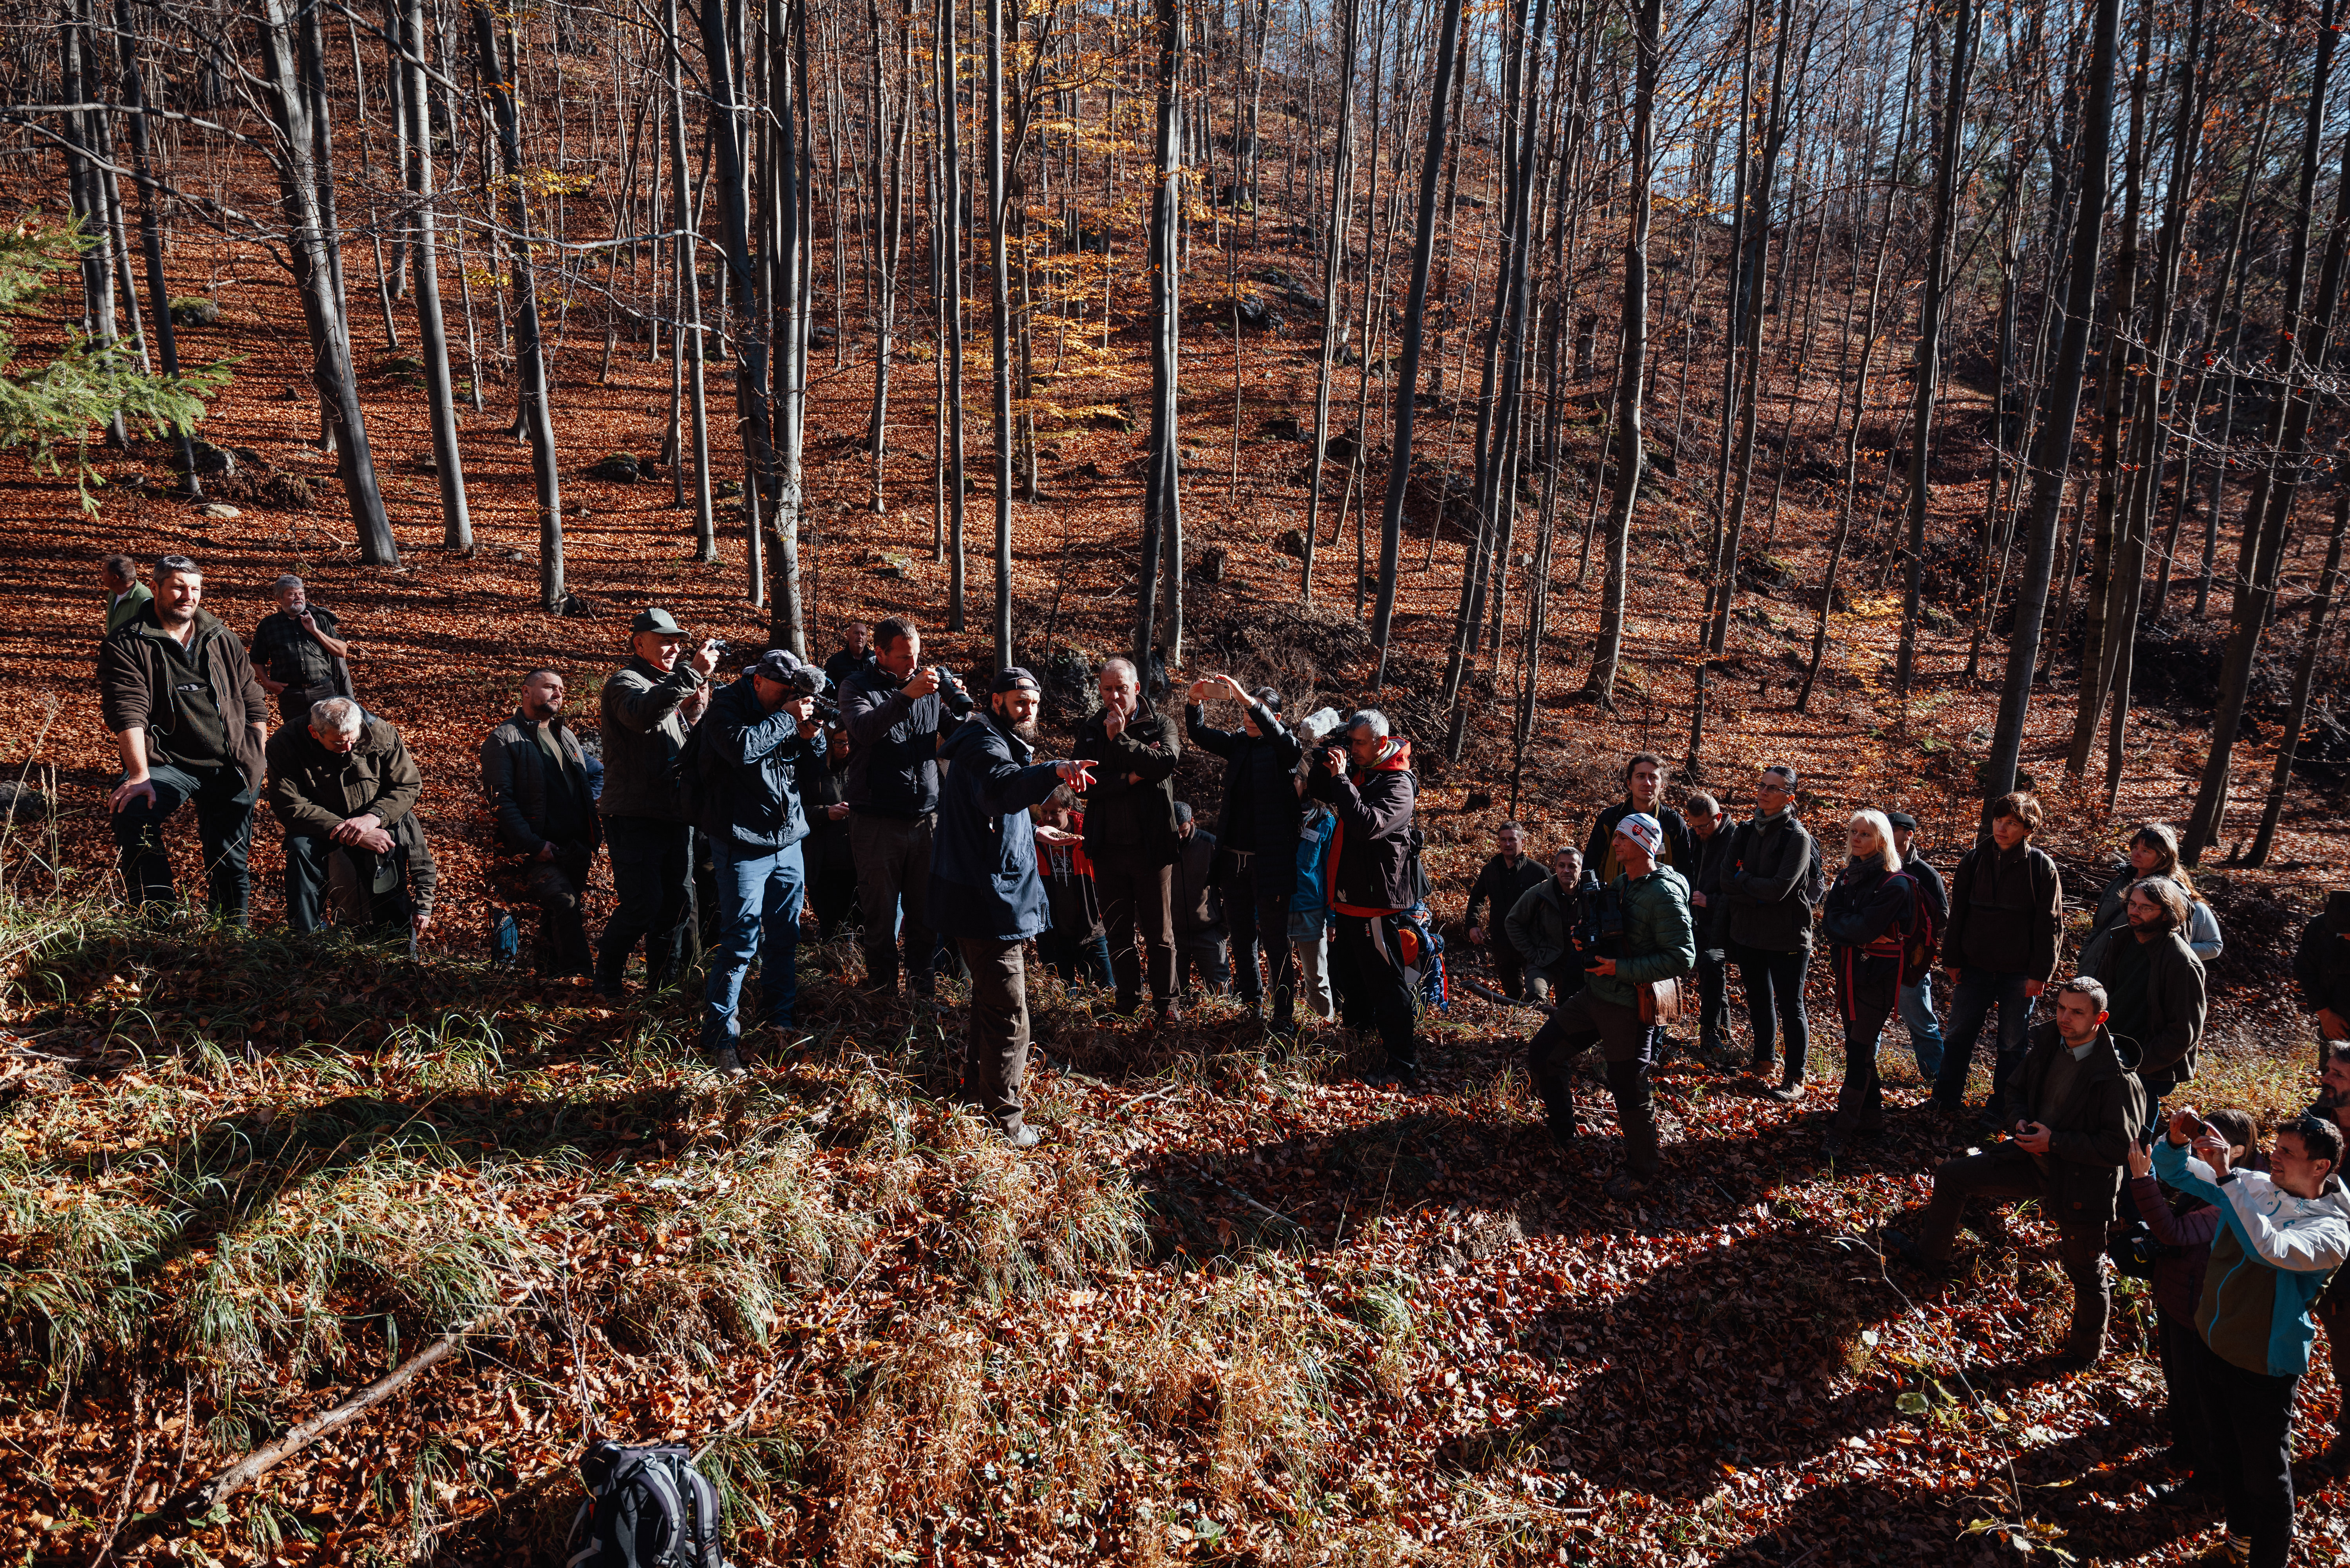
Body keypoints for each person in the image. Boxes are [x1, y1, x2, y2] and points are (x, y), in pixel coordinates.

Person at [1887, 977, 2143, 1370]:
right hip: (2030, 1160)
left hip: (2082, 1183)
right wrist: (2020, 1120)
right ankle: (1929, 1258)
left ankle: (2083, 1353)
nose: (2065, 1018)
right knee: (1954, 1176)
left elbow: (2118, 1148)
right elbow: (2014, 1089)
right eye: (2060, 1008)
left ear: (2101, 1017)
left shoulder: (2118, 1076)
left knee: (2086, 1270)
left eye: (2077, 1012)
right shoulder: (2047, 1044)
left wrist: (2055, 1141)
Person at [2153, 1108, 2350, 1568]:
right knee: (2226, 1453)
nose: (2273, 1157)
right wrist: (2179, 1139)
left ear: (2321, 1166)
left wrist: (2228, 1179)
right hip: (2214, 1341)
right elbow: (2175, 1169)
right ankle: (2239, 1542)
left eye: (2287, 1152)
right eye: (2276, 1147)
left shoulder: (2333, 1231)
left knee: (2267, 1480)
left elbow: (2272, 1250)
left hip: (2264, 1363)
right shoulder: (2257, 1184)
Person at [930, 668, 1093, 1146]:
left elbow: (997, 811)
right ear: (996, 700)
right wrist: (1054, 770)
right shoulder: (984, 743)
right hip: (985, 901)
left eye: (1035, 703)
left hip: (986, 894)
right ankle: (1006, 1120)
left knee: (988, 1002)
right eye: (1020, 701)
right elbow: (1002, 787)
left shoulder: (994, 738)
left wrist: (1030, 830)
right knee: (1010, 1013)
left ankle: (973, 1096)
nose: (1029, 710)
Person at [1524, 816, 1695, 1200]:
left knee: (1629, 1089)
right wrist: (1590, 942)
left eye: (1622, 836)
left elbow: (1682, 958)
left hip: (1630, 1007)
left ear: (1644, 843)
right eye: (1615, 836)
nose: (1614, 842)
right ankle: (1565, 1133)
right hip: (1594, 995)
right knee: (1544, 1052)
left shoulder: (1663, 894)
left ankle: (1643, 1170)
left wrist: (1621, 968)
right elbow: (1613, 932)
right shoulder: (1622, 883)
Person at [97, 556, 268, 921]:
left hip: (231, 762)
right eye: (177, 586)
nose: (187, 596)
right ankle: (158, 923)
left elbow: (254, 700)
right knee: (134, 813)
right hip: (169, 764)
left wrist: (257, 750)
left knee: (230, 859)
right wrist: (140, 776)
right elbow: (128, 712)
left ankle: (230, 938)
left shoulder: (222, 638)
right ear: (155, 588)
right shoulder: (128, 643)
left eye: (194, 588)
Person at [695, 650, 827, 1074]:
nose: (790, 697)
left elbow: (814, 767)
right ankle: (721, 1039)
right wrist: (789, 718)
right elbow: (741, 750)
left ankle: (780, 1021)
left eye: (796, 693)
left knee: (785, 936)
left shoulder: (787, 708)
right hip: (740, 840)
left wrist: (813, 736)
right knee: (740, 942)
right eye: (784, 691)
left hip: (788, 839)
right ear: (758, 681)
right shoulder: (726, 706)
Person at [2126, 1107, 2260, 1501]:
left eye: (2209, 1139)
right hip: (2173, 1297)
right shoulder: (2206, 1178)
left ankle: (2208, 1478)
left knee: (2197, 1394)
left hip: (2198, 1312)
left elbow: (2174, 1230)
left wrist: (2141, 1179)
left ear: (2234, 1151)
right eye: (2201, 1136)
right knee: (2177, 1383)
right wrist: (2175, 1140)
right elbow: (2173, 1169)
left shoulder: (2238, 1197)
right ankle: (2183, 1449)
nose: (2201, 1145)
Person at [840, 616, 973, 999]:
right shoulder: (856, 686)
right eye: (904, 657)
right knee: (881, 918)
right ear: (880, 653)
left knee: (924, 917)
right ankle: (883, 997)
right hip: (877, 820)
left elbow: (958, 735)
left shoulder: (928, 687)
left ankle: (922, 997)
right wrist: (906, 695)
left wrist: (959, 703)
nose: (913, 664)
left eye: (916, 656)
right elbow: (864, 731)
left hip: (926, 819)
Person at [597, 609, 718, 997]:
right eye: (665, 640)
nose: (674, 648)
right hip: (634, 816)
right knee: (642, 905)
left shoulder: (667, 686)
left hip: (673, 816)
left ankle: (662, 990)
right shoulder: (625, 682)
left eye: (678, 641)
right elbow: (640, 715)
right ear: (639, 643)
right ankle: (607, 983)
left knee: (679, 905)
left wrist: (698, 712)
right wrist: (692, 674)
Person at [1931, 791, 2064, 1131]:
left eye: (2012, 823)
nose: (2002, 829)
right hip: (1974, 967)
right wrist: (1952, 958)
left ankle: (2003, 1108)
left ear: (2027, 828)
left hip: (2018, 973)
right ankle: (1945, 1099)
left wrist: (2040, 973)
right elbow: (1958, 913)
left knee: (2011, 1044)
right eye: (1999, 820)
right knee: (1958, 1035)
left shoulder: (2040, 867)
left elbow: (2050, 924)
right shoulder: (1974, 860)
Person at [1186, 674, 1307, 1032]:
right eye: (1244, 710)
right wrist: (1194, 703)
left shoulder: (1287, 749)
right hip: (1232, 861)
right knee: (1240, 937)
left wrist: (1246, 698)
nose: (1248, 717)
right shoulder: (1238, 744)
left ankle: (1283, 1015)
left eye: (1257, 712)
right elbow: (1200, 735)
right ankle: (1251, 1005)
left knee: (1275, 940)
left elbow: (1287, 746)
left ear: (1277, 718)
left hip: (1270, 863)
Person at [1307, 710, 1423, 1083]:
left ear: (1380, 742)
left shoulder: (1398, 784)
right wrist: (1324, 754)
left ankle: (1402, 1063)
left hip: (1377, 905)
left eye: (1358, 744)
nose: (1352, 749)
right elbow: (1319, 790)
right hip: (1350, 900)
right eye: (1350, 742)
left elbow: (1365, 826)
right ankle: (1360, 1044)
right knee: (1351, 978)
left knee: (1387, 984)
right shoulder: (1364, 769)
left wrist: (1343, 777)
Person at [1075, 657, 1182, 1020]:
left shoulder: (1160, 724)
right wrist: (1129, 779)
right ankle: (1127, 1002)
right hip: (1107, 848)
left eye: (1122, 688)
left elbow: (1163, 764)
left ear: (1136, 687)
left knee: (1160, 934)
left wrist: (1119, 740)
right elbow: (1084, 785)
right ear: (1100, 690)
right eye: (1108, 689)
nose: (1115, 696)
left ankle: (1167, 1006)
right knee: (1119, 932)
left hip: (1152, 848)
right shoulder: (1090, 729)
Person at [266, 694, 422, 935]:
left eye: (353, 739)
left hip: (372, 820)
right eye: (339, 743)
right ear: (314, 732)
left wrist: (374, 818)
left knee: (386, 854)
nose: (348, 747)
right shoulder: (285, 743)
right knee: (300, 852)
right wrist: (352, 833)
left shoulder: (380, 732)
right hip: (317, 825)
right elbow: (290, 804)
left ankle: (396, 944)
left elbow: (407, 786)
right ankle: (306, 939)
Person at [481, 668, 601, 977]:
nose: (559, 693)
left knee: (556, 917)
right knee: (565, 904)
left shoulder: (564, 733)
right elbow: (500, 801)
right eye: (549, 687)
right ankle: (582, 980)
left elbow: (597, 772)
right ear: (526, 691)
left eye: (561, 688)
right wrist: (533, 845)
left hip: (574, 846)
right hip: (536, 847)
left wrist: (586, 805)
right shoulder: (503, 738)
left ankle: (549, 980)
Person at [1818, 810, 1915, 1158]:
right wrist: (1851, 929)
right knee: (1858, 1047)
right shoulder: (1847, 877)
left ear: (1883, 840)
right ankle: (1872, 1117)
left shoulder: (1896, 884)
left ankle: (1842, 1128)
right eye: (1853, 832)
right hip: (1849, 975)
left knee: (1859, 1051)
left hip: (1878, 982)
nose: (1856, 839)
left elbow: (1861, 929)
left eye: (1865, 834)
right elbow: (1830, 924)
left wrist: (1850, 929)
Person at [1721, 765, 1820, 1102]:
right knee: (1759, 1000)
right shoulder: (1746, 830)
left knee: (1791, 1006)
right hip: (1749, 932)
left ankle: (1795, 1076)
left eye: (1773, 788)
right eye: (1762, 785)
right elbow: (1724, 880)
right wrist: (1748, 887)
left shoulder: (1797, 837)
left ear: (1789, 797)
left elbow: (1781, 889)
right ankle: (1763, 1060)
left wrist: (1743, 881)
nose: (1763, 792)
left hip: (1787, 936)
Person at [2091, 876, 2208, 1126]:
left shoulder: (2181, 962)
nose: (2135, 911)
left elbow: (2184, 1032)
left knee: (2135, 1145)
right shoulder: (2121, 940)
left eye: (2146, 907)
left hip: (2147, 1068)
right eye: (2132, 904)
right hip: (2108, 1053)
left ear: (2167, 914)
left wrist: (2137, 1064)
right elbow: (2100, 995)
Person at [2078, 823, 2224, 975]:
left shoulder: (2173, 895)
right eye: (2135, 847)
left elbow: (2175, 947)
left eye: (2145, 851)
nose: (2136, 854)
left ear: (2163, 857)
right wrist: (2085, 957)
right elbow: (2097, 928)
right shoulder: (2117, 883)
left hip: (2132, 980)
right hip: (2092, 972)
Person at [2307, 1041, 2350, 1477]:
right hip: (2312, 1260)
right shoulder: (2314, 1121)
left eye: (2337, 1075)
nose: (2326, 1079)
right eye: (2328, 1071)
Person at [1885, 811, 1947, 1080]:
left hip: (1911, 961)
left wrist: (1912, 935)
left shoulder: (1926, 874)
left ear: (1908, 835)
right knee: (1870, 1023)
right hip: (1877, 958)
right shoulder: (1875, 865)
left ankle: (1937, 1080)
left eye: (1893, 829)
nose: (1886, 833)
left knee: (1922, 1024)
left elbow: (1942, 917)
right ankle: (1862, 1077)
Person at [248, 574, 354, 727]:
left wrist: (315, 631)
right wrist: (268, 683)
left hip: (323, 692)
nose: (299, 598)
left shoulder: (319, 620)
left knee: (329, 733)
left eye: (301, 594)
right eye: (292, 594)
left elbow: (342, 651)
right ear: (279, 598)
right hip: (291, 695)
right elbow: (257, 660)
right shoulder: (268, 626)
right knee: (297, 739)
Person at [1466, 821, 1551, 1003]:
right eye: (1503, 840)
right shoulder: (1490, 870)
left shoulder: (1538, 872)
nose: (1507, 844)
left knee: (1537, 993)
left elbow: (1555, 906)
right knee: (1513, 996)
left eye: (1512, 839)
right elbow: (1476, 898)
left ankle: (1546, 1026)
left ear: (1522, 841)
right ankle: (1521, 1028)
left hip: (1531, 943)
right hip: (1502, 942)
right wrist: (1473, 925)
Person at [1034, 788, 1111, 986]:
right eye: (1044, 812)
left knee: (1105, 993)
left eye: (1055, 812)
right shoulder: (1033, 837)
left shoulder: (1089, 832)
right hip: (1050, 935)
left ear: (1068, 808)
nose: (1048, 818)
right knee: (1061, 999)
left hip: (1090, 929)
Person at [1582, 753, 1698, 884]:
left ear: (1663, 785)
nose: (1647, 783)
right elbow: (1591, 866)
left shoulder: (1673, 822)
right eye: (1641, 776)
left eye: (1653, 777)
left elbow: (1684, 872)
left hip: (1657, 901)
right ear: (1629, 783)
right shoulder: (1611, 818)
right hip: (1614, 900)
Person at [1504, 845, 1591, 1012]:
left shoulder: (1591, 894)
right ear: (1555, 867)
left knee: (1573, 1005)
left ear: (1581, 869)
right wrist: (1531, 953)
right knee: (1536, 994)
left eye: (1572, 866)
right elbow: (1513, 922)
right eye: (1562, 866)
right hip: (1543, 960)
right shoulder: (1539, 893)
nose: (1566, 870)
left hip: (1579, 961)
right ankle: (1545, 1030)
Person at [797, 716, 857, 942]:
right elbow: (794, 810)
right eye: (839, 743)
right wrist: (825, 813)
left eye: (850, 743)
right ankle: (835, 973)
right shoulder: (812, 770)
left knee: (861, 927)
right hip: (824, 864)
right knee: (833, 928)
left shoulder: (860, 768)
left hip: (859, 862)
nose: (846, 749)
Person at [1686, 793, 1734, 1059]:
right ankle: (1722, 1034)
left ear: (1718, 818)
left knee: (1712, 967)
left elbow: (1741, 889)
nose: (1698, 831)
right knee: (1712, 977)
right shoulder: (1695, 836)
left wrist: (1711, 901)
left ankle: (1711, 1033)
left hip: (1724, 921)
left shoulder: (1735, 840)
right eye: (1693, 826)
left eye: (1703, 826)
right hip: (1697, 919)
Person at [1291, 774, 1338, 1022]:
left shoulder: (1325, 821)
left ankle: (1325, 1030)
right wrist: (1258, 913)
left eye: (1293, 780)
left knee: (1317, 978)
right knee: (1278, 978)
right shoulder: (1271, 816)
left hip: (1312, 910)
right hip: (1277, 908)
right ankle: (1279, 1027)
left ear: (1306, 783)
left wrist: (1332, 918)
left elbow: (1332, 872)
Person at [1170, 803, 1229, 997]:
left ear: (1192, 822)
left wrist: (1224, 928)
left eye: (1184, 831)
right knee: (1174, 997)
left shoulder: (1210, 844)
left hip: (1209, 932)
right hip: (1173, 935)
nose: (1179, 837)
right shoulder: (1160, 847)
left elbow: (1229, 889)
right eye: (1174, 832)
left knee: (1221, 995)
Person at [2290, 892, 2350, 1054]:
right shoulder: (2319, 928)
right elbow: (2305, 970)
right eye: (2341, 929)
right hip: (2336, 1022)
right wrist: (2324, 1014)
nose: (2346, 935)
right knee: (2332, 1075)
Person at [99, 553, 149, 635]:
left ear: (115, 578)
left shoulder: (145, 600)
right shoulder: (113, 594)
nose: (101, 575)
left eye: (104, 572)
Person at [824, 620, 877, 691]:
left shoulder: (876, 659)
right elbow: (827, 691)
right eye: (856, 633)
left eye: (863, 634)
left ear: (867, 638)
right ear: (848, 636)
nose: (860, 637)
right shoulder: (834, 662)